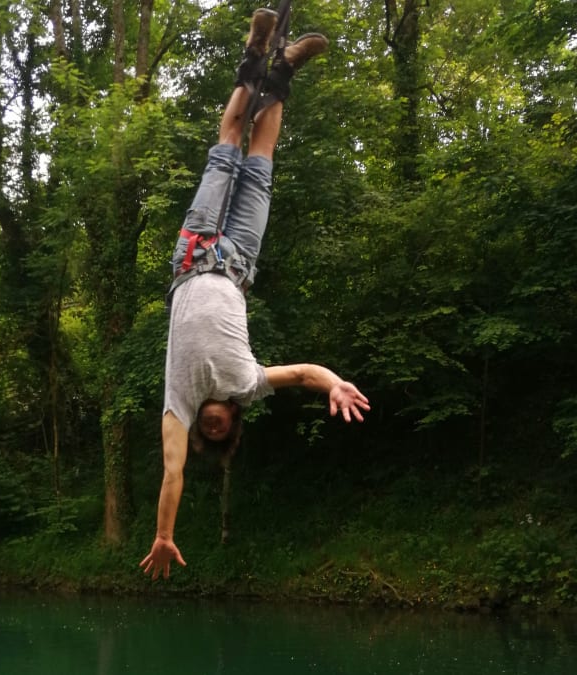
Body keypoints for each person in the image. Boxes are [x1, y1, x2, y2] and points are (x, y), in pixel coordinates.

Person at [139, 9, 370, 580]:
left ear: (200, 426)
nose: (212, 430)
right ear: (235, 423)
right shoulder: (247, 385)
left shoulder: (180, 401)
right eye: (222, 433)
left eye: (207, 434)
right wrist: (334, 383)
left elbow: (173, 473)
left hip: (195, 254)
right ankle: (283, 70)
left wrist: (164, 535)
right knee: (261, 161)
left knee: (227, 146)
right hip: (239, 260)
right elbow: (303, 374)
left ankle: (254, 56)